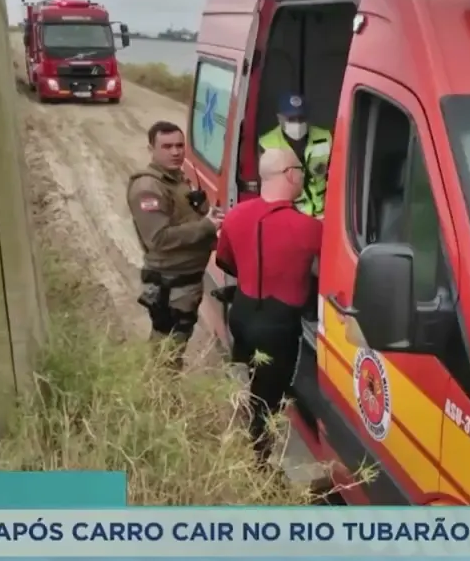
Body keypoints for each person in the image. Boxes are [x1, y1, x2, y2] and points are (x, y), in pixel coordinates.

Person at [215, 147, 323, 463]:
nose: (303, 174)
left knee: (251, 377)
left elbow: (225, 261)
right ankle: (258, 462)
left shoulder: (235, 215)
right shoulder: (309, 228)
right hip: (278, 327)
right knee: (269, 396)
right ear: (290, 174)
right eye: (301, 169)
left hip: (243, 313)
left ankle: (246, 419)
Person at [127, 121, 223, 345]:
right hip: (170, 285)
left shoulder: (176, 179)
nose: (176, 152)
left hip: (184, 280)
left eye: (180, 146)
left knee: (174, 343)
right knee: (168, 347)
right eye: (167, 146)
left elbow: (184, 218)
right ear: (151, 149)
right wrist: (206, 226)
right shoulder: (148, 187)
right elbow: (158, 239)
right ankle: (160, 381)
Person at [258, 93, 332, 217]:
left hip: (324, 213)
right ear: (280, 118)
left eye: (301, 118)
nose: (297, 123)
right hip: (290, 215)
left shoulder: (325, 137)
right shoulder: (267, 144)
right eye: (291, 119)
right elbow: (267, 187)